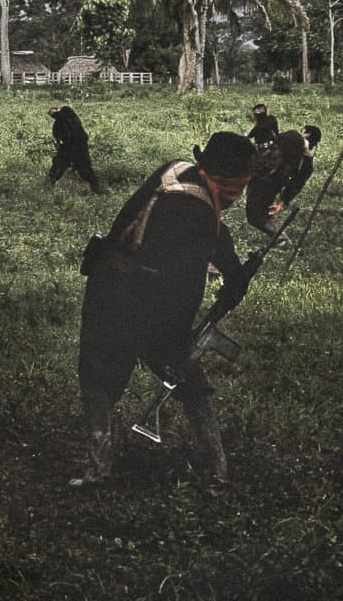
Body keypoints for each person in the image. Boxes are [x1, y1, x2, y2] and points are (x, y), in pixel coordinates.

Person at [73, 132, 260, 488]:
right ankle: (103, 470)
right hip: (126, 292)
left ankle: (212, 467)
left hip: (119, 280)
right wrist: (179, 340)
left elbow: (217, 233)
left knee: (110, 377)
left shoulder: (181, 171)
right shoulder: (188, 208)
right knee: (125, 374)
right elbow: (184, 284)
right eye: (236, 188)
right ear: (218, 177)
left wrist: (234, 272)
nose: (238, 196)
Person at [244, 128, 307, 234]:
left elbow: (262, 165)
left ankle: (280, 237)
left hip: (265, 183)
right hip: (269, 183)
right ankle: (280, 235)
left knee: (255, 216)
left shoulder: (283, 151)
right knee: (258, 214)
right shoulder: (297, 158)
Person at [47, 104, 104, 194]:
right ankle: (96, 188)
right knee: (59, 168)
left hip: (74, 147)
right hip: (72, 147)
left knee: (82, 170)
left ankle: (96, 188)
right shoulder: (67, 120)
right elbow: (59, 139)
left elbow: (59, 139)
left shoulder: (65, 113)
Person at [277, 124, 321, 208]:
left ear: (306, 133)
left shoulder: (290, 136)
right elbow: (296, 185)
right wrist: (282, 202)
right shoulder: (307, 162)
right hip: (275, 186)